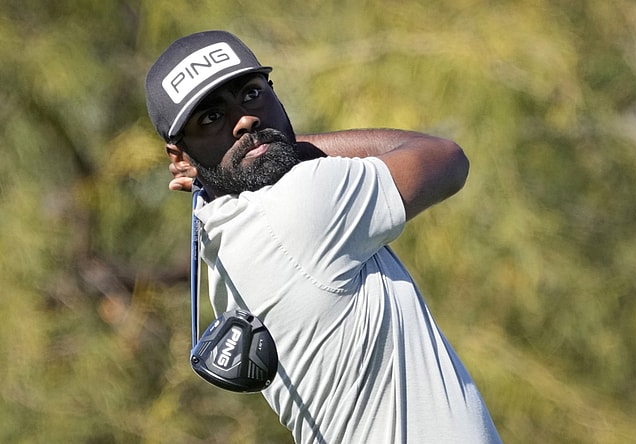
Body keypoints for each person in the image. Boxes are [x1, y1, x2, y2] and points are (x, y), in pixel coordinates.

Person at [145, 30, 501, 443]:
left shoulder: (220, 236)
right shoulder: (304, 200)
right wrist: (281, 146)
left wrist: (257, 151)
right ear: (180, 156)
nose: (244, 119)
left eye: (251, 93)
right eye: (211, 117)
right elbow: (445, 159)